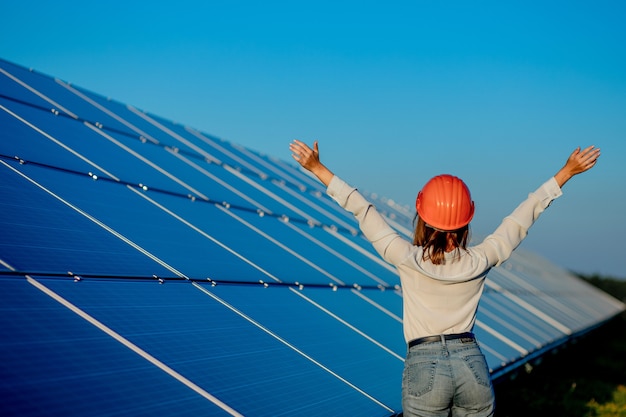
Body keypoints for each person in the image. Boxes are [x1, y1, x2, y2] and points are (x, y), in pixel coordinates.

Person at [289, 140, 600, 417]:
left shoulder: (406, 258)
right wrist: (565, 173)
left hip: (424, 366)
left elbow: (362, 209)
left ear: (421, 215)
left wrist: (317, 168)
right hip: (472, 366)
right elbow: (520, 218)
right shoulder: (480, 260)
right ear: (468, 219)